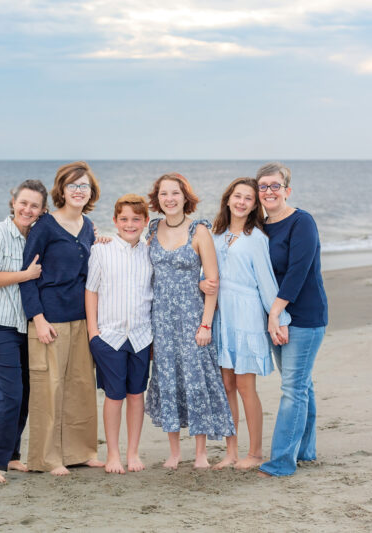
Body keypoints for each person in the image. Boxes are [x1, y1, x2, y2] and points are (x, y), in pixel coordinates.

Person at [19, 161, 105, 476]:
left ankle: (80, 452)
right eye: (72, 185)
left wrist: (105, 241)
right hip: (50, 319)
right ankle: (46, 458)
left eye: (84, 185)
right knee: (49, 389)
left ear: (91, 190)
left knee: (81, 387)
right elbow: (27, 276)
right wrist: (38, 319)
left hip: (83, 318)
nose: (79, 191)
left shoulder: (88, 227)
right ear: (61, 190)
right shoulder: (44, 226)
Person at [144, 172, 235, 470]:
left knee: (197, 384)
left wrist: (206, 324)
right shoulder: (152, 230)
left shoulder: (199, 231)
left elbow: (213, 281)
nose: (169, 199)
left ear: (185, 197)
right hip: (161, 321)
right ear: (157, 200)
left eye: (175, 193)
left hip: (193, 319)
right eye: (163, 194)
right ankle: (174, 452)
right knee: (168, 381)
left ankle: (200, 453)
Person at [206, 177, 291, 470]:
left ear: (254, 205)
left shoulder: (257, 239)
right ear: (228, 199)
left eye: (248, 199)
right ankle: (231, 452)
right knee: (226, 384)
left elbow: (267, 282)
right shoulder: (214, 235)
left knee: (245, 386)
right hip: (221, 315)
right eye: (237, 196)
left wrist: (278, 318)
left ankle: (254, 453)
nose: (241, 202)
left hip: (246, 315)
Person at [255, 162, 328, 477]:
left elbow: (298, 271)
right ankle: (305, 450)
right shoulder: (260, 226)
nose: (269, 192)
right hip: (277, 317)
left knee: (293, 388)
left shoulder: (302, 222)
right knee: (301, 385)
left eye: (275, 185)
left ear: (287, 189)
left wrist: (274, 312)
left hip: (304, 317)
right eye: (263, 186)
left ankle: (281, 462)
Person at [0, 179, 48, 484]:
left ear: (43, 210)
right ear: (13, 202)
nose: (27, 209)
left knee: (25, 393)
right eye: (23, 203)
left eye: (34, 205)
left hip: (21, 325)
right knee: (11, 393)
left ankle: (11, 455)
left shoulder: (34, 236)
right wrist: (26, 275)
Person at [85, 194, 153, 475]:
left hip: (141, 336)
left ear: (145, 222)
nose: (130, 224)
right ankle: (113, 454)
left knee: (136, 395)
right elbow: (91, 290)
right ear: (114, 221)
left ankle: (133, 452)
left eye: (136, 219)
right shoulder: (101, 249)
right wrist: (93, 333)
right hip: (109, 336)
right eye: (123, 219)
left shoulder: (151, 252)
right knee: (114, 396)